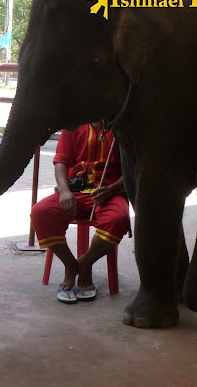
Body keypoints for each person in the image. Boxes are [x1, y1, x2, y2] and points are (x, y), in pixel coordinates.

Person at [30, 121, 130, 304]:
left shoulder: (121, 127)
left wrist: (113, 189)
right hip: (74, 191)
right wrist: (64, 191)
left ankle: (85, 263)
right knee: (40, 212)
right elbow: (61, 162)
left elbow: (133, 168)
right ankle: (70, 265)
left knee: (118, 218)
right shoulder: (73, 126)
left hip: (108, 193)